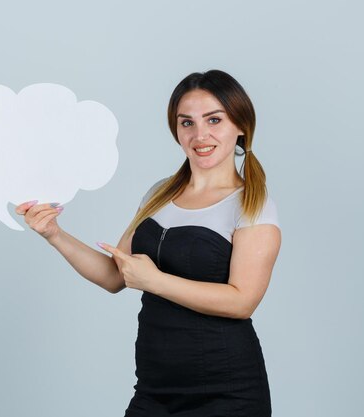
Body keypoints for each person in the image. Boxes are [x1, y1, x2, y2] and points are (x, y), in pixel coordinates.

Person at [15, 69, 281, 416]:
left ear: (241, 125)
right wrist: (55, 234)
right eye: (187, 123)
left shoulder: (252, 206)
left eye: (214, 120)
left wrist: (155, 281)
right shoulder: (159, 193)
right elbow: (115, 276)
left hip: (227, 393)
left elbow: (242, 301)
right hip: (155, 389)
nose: (200, 135)